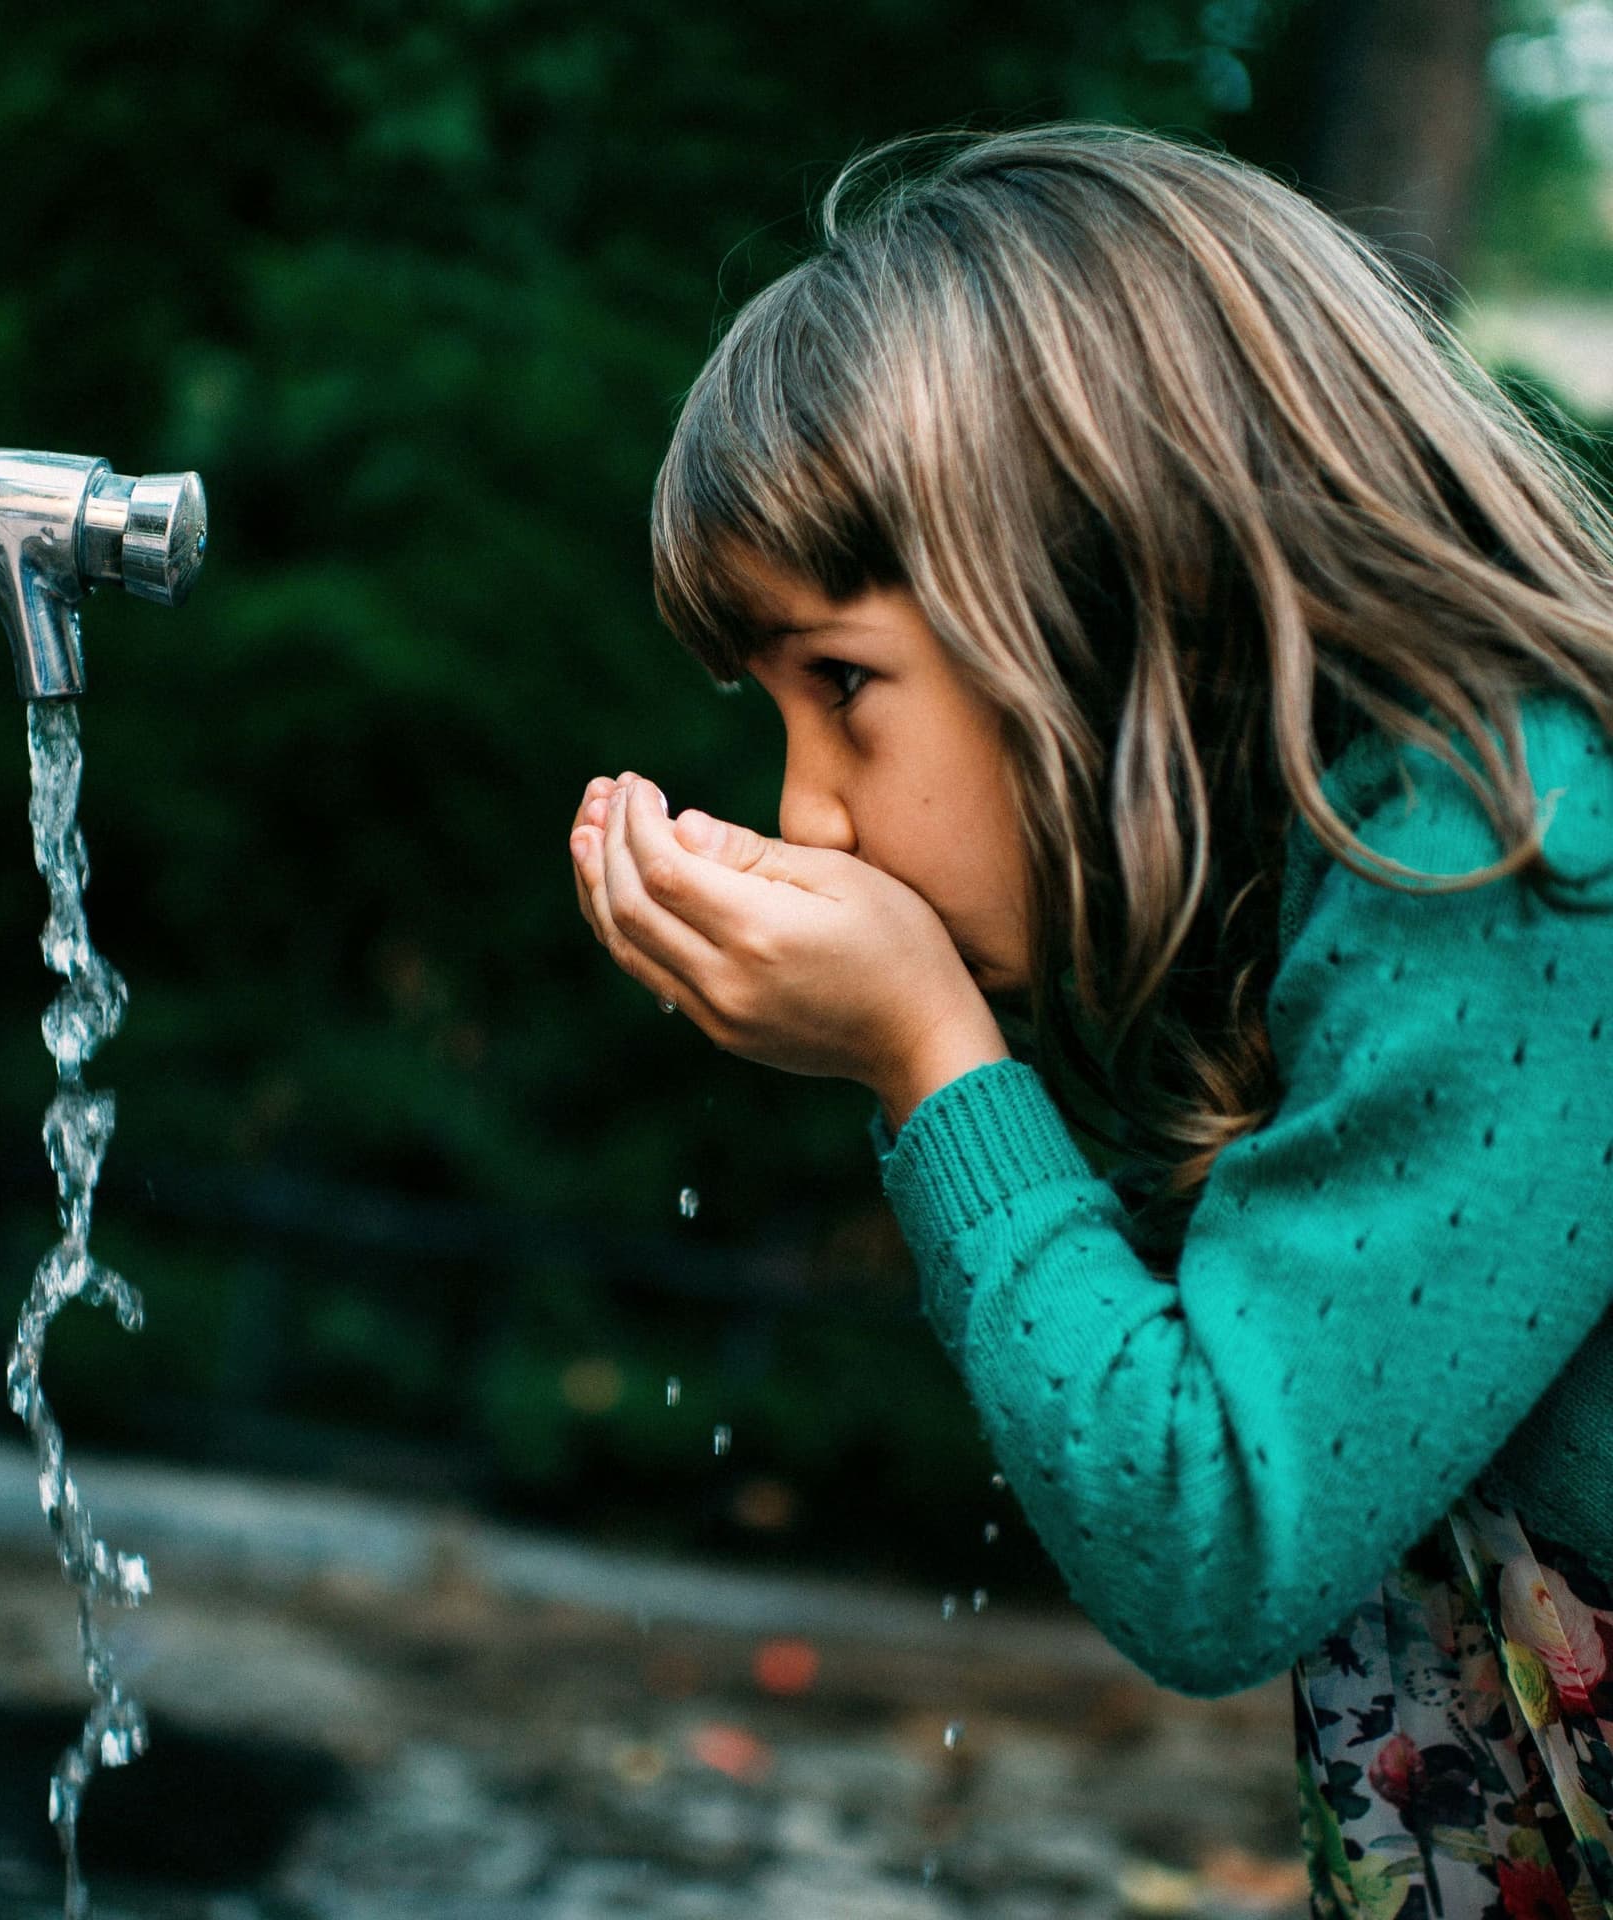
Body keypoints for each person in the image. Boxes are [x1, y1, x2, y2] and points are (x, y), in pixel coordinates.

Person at [568, 124, 1613, 1920]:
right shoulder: (1367, 855)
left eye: (842, 686)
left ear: (1120, 581)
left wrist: (926, 1052)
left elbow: (1218, 1538)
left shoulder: (1504, 838)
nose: (809, 811)